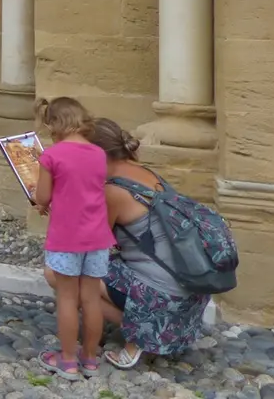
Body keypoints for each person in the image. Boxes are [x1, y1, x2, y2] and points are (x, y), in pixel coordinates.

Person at [88, 118, 210, 369]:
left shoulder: (113, 190)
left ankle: (143, 335)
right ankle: (162, 329)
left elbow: (92, 242)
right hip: (191, 289)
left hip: (163, 296)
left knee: (62, 273)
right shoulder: (147, 173)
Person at [33, 96, 113, 381]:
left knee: (67, 298)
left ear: (53, 124)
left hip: (66, 237)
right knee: (91, 298)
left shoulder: (51, 156)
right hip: (97, 236)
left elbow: (43, 196)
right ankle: (90, 359)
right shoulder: (99, 153)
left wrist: (39, 201)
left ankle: (67, 361)